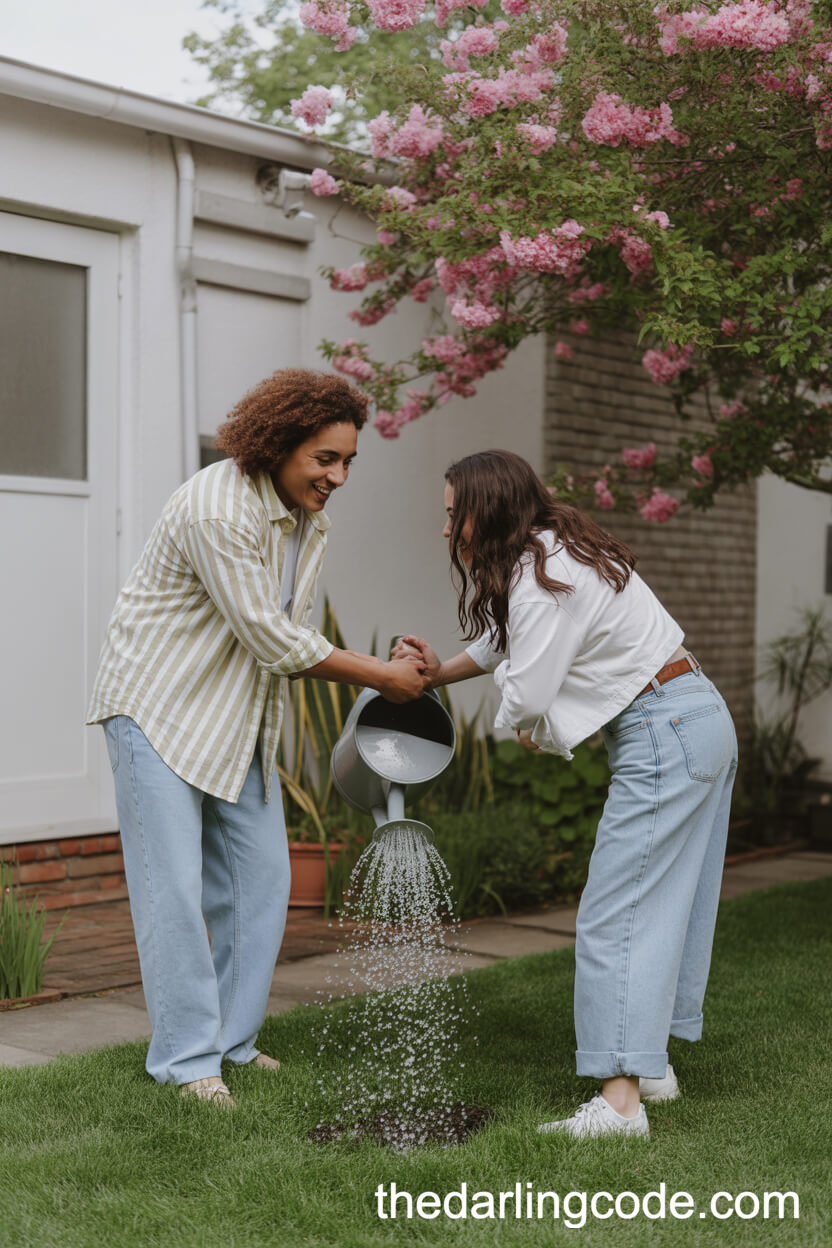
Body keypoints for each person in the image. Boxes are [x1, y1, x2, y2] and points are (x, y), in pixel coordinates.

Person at [87, 369, 427, 1107]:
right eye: (325, 459)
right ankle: (187, 1063)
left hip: (233, 718)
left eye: (348, 462)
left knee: (262, 879)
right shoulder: (217, 509)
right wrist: (380, 675)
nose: (338, 477)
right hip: (155, 710)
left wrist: (389, 669)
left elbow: (283, 635)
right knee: (173, 893)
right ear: (278, 444)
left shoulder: (305, 518)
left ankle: (232, 1041)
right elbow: (273, 639)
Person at [395, 449, 738, 1138]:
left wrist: (534, 726)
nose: (447, 529)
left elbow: (526, 693)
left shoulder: (536, 576)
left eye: (455, 513)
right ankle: (651, 1069)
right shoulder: (557, 550)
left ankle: (620, 1106)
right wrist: (440, 675)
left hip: (662, 730)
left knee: (616, 913)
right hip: (696, 716)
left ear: (488, 508)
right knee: (669, 902)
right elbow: (514, 641)